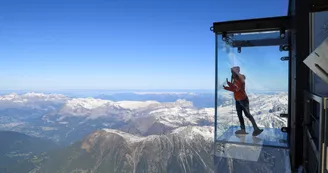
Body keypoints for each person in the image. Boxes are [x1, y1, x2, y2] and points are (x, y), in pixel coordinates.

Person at [223, 66, 263, 136]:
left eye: (232, 71)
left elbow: (236, 89)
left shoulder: (239, 78)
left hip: (243, 100)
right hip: (238, 100)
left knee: (247, 114)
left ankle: (256, 129)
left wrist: (227, 88)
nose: (231, 73)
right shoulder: (236, 78)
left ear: (235, 71)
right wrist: (228, 83)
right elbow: (234, 86)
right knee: (240, 115)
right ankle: (243, 130)